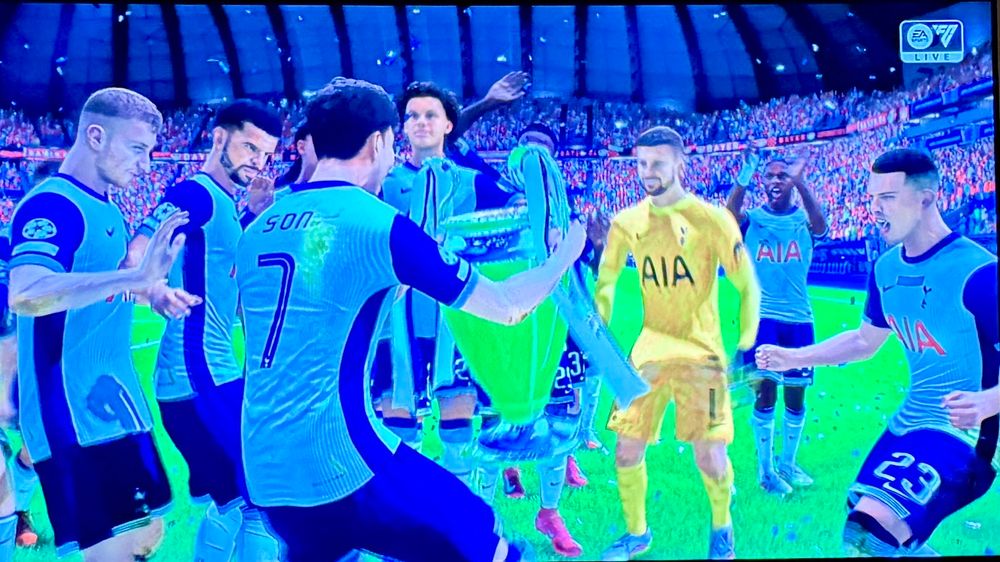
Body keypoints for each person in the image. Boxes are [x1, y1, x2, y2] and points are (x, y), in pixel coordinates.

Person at [235, 76, 585, 562]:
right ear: (379, 142)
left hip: (262, 468)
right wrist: (564, 256)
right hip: (343, 463)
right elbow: (506, 306)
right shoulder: (374, 223)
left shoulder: (258, 225)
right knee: (485, 537)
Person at [756, 148, 998, 557]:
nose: (874, 209)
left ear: (927, 198)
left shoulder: (979, 273)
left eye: (886, 197)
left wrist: (988, 401)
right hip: (908, 422)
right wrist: (792, 358)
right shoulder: (885, 269)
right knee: (866, 537)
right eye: (871, 198)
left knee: (873, 526)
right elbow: (864, 342)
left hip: (964, 431)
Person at [7, 87, 190, 562]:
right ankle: (12, 507)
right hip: (69, 411)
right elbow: (27, 292)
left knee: (148, 533)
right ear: (95, 136)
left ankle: (13, 496)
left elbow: (92, 287)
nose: (146, 165)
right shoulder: (53, 205)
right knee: (113, 551)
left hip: (110, 399)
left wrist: (151, 290)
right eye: (137, 149)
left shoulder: (105, 208)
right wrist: (135, 275)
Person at [127, 99, 283, 561]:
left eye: (266, 155)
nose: (258, 162)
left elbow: (223, 273)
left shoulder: (225, 206)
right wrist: (152, 288)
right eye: (250, 147)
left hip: (204, 376)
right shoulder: (193, 194)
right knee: (260, 498)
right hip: (199, 377)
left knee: (236, 502)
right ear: (219, 138)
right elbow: (137, 255)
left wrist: (255, 213)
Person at [596, 126, 760, 561]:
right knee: (625, 451)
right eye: (641, 163)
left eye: (657, 163)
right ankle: (637, 534)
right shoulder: (627, 222)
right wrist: (600, 330)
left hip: (702, 357)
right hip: (646, 355)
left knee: (709, 456)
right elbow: (607, 282)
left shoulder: (712, 220)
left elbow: (747, 286)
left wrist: (745, 343)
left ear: (679, 164)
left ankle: (722, 528)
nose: (647, 172)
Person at [726, 150, 828, 494]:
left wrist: (802, 183)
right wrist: (744, 177)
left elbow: (821, 226)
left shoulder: (802, 219)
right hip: (762, 318)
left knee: (797, 396)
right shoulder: (752, 218)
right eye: (768, 177)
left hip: (799, 319)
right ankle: (766, 471)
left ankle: (788, 463)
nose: (774, 182)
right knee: (766, 391)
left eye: (782, 176)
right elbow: (727, 218)